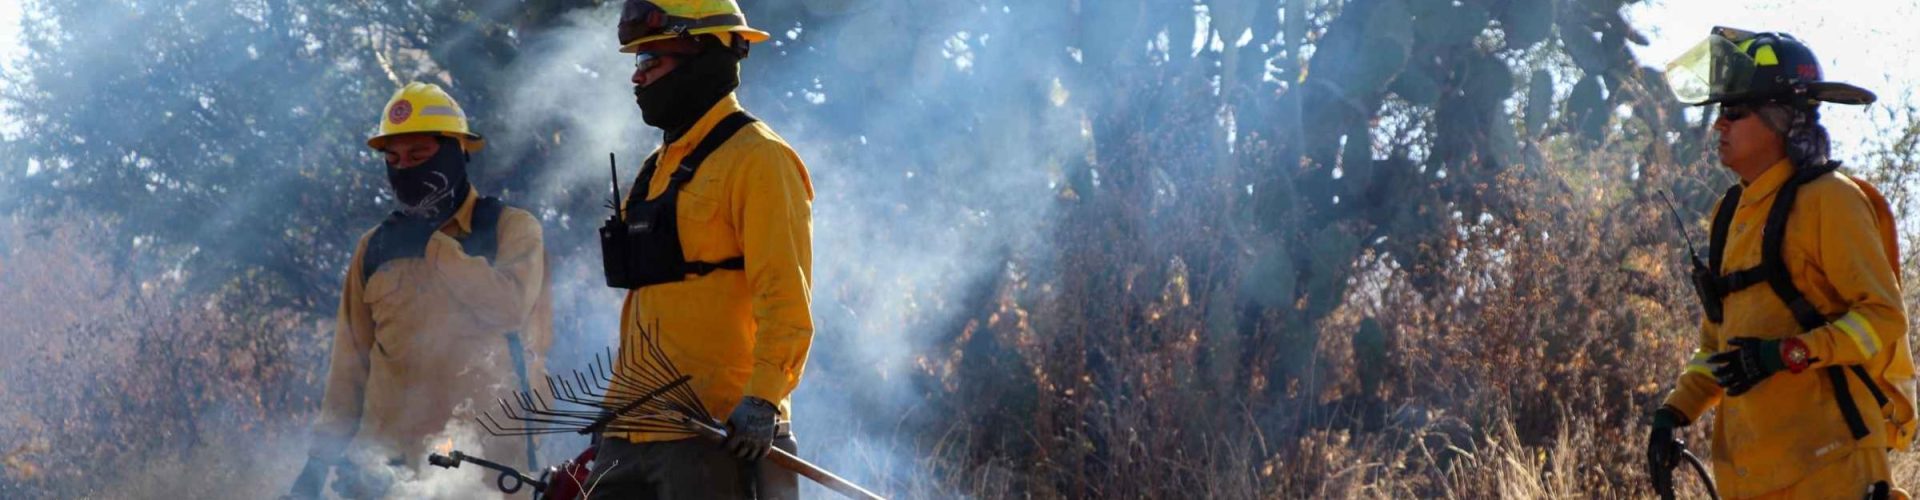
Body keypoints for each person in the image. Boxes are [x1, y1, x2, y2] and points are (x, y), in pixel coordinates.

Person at [1649, 26, 1915, 499]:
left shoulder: (1830, 200)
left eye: (1735, 111)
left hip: (1833, 465)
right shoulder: (1729, 213)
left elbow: (1883, 317)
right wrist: (1674, 414)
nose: (1719, 125)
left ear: (1780, 118)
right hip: (1751, 473)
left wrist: (1786, 354)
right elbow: (1717, 344)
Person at [583, 1, 815, 498]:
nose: (638, 77)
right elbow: (650, 302)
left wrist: (763, 400)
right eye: (637, 62)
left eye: (652, 60)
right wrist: (614, 405)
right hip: (630, 429)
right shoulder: (654, 168)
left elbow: (784, 297)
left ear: (704, 57)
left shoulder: (760, 159)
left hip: (713, 431)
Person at [289, 82, 553, 499]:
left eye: (418, 155)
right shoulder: (374, 248)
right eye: (393, 159)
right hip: (387, 471)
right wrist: (317, 464)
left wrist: (433, 246)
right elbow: (349, 365)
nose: (404, 169)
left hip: (488, 472)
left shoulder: (511, 229)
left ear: (455, 152)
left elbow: (511, 309)